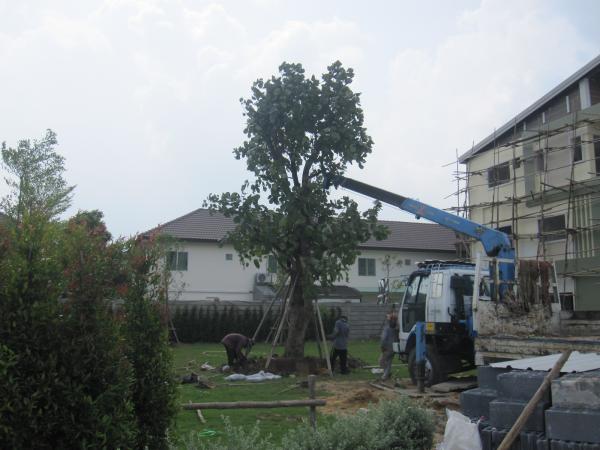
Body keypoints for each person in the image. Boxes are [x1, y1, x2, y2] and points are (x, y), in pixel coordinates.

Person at [379, 314, 397, 381]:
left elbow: (383, 339)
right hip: (394, 347)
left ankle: (385, 375)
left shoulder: (387, 329)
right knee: (389, 362)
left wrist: (382, 347)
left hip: (387, 347)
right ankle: (386, 374)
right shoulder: (395, 329)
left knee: (381, 361)